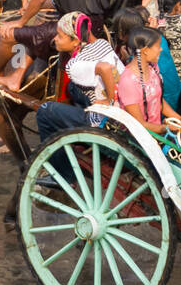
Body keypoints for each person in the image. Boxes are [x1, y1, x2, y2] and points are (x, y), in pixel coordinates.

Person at [34, 13, 124, 183]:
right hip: (124, 105)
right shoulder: (102, 44)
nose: (55, 40)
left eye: (60, 36)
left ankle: (62, 174)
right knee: (72, 87)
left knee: (45, 111)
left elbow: (104, 68)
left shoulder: (74, 65)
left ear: (75, 41)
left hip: (107, 120)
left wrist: (110, 100)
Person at [116, 26, 181, 133]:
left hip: (156, 129)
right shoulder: (128, 81)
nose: (161, 49)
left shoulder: (153, 68)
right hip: (140, 137)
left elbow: (158, 101)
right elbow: (139, 124)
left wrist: (179, 119)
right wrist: (166, 129)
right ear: (145, 50)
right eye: (158, 46)